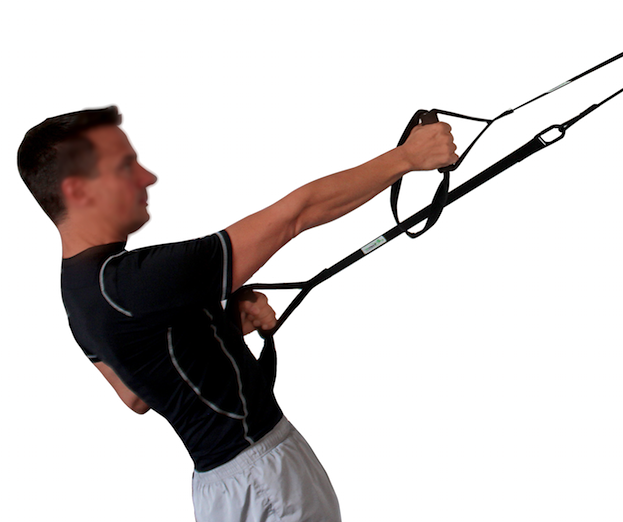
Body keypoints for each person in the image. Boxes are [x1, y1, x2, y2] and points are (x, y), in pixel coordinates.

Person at [17, 106, 458, 521]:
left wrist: (224, 325)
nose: (147, 177)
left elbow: (137, 396)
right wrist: (406, 158)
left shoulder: (77, 294)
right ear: (77, 189)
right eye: (125, 166)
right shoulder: (133, 281)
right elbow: (297, 214)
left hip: (219, 491)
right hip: (267, 478)